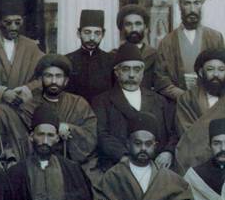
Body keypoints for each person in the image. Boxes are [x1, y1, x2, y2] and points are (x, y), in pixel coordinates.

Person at [92, 45, 177, 173]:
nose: (131, 75)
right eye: (126, 69)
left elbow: (173, 133)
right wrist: (124, 156)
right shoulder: (102, 101)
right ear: (117, 72)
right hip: (118, 167)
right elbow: (101, 135)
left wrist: (168, 152)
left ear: (142, 73)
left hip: (156, 168)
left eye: (136, 70)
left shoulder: (159, 101)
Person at [174, 47, 225, 174]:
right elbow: (189, 138)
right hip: (196, 165)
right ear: (201, 72)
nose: (216, 74)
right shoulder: (187, 99)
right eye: (210, 69)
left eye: (221, 70)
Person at [19, 54, 98, 173]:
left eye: (58, 76)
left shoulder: (79, 104)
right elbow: (23, 140)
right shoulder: (29, 107)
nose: (54, 81)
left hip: (75, 166)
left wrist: (70, 129)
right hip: (37, 166)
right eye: (49, 76)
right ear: (40, 80)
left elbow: (91, 136)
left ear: (66, 81)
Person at [154, 0, 225, 103]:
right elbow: (160, 79)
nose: (192, 9)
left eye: (196, 3)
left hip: (211, 103)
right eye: (187, 3)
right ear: (180, 6)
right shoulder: (167, 42)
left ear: (201, 5)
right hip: (179, 105)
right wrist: (183, 96)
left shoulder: (215, 38)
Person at [63, 9, 117, 104]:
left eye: (97, 33)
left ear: (103, 34)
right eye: (87, 32)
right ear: (79, 33)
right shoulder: (67, 60)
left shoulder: (111, 61)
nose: (92, 38)